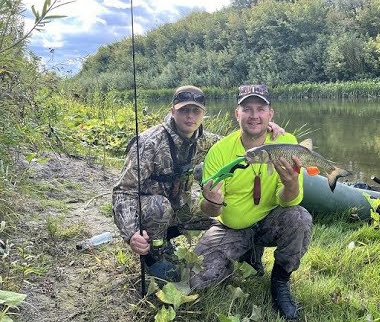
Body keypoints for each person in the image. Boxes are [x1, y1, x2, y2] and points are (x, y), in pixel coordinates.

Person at [112, 85, 285, 281]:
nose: (190, 117)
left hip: (182, 206)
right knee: (158, 206)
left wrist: (268, 129)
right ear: (172, 111)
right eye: (184, 110)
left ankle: (250, 254)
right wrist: (130, 233)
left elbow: (241, 143)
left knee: (228, 215)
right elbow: (122, 192)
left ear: (203, 114)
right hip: (150, 210)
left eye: (196, 111)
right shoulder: (147, 143)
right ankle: (154, 259)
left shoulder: (205, 140)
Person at [191, 84, 313, 320]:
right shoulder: (219, 151)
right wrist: (212, 201)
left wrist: (291, 184)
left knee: (299, 217)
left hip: (269, 220)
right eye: (247, 109)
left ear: (271, 114)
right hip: (231, 226)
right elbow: (208, 210)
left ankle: (280, 282)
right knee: (198, 280)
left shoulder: (286, 142)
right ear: (237, 114)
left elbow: (289, 201)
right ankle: (249, 255)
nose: (254, 115)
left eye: (260, 109)